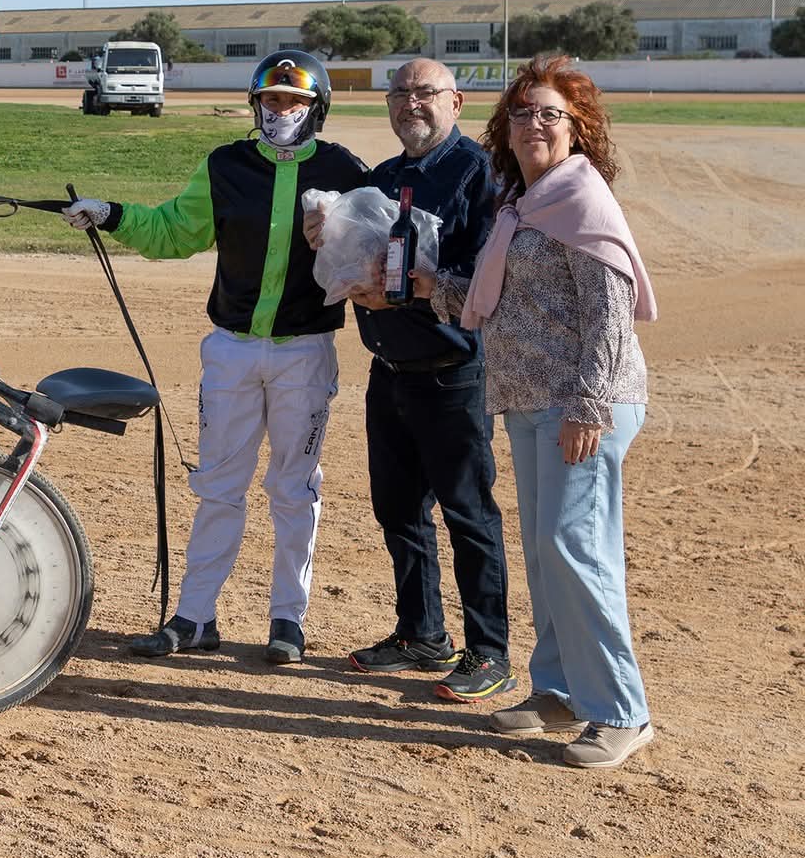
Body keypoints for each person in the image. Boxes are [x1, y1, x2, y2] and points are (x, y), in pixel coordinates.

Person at [63, 50, 366, 664]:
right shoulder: (225, 165)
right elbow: (176, 231)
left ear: (318, 109)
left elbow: (367, 258)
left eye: (295, 102)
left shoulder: (345, 170)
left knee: (294, 488)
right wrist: (113, 214)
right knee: (219, 488)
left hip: (304, 354)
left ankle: (288, 621)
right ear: (256, 104)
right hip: (230, 352)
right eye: (273, 101)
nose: (282, 111)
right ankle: (195, 617)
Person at [417, 55, 658, 768]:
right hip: (527, 399)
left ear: (578, 129)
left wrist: (590, 404)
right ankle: (557, 693)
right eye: (522, 114)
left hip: (580, 405)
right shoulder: (525, 203)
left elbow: (609, 318)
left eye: (551, 114)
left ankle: (621, 710)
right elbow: (503, 301)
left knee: (574, 550)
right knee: (550, 557)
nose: (533, 126)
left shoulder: (581, 200)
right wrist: (431, 284)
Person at [314, 59, 515, 702]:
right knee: (398, 510)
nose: (411, 104)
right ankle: (422, 635)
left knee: (468, 515)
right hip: (390, 368)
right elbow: (353, 259)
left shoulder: (480, 173)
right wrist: (331, 244)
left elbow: (490, 274)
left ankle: (488, 650)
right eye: (399, 93)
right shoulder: (384, 178)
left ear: (456, 100)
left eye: (425, 93)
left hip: (453, 372)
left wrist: (416, 290)